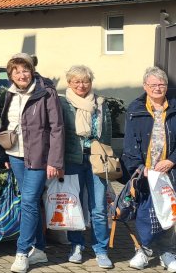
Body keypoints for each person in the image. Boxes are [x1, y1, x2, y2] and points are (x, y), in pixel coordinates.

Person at [0, 56, 64, 273]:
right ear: (11, 75)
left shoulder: (46, 92)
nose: (21, 75)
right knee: (31, 203)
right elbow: (6, 123)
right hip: (15, 155)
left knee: (27, 201)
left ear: (32, 71)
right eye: (16, 72)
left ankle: (22, 252)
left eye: (25, 70)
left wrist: (54, 161)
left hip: (39, 156)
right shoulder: (10, 93)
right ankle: (41, 250)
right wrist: (6, 154)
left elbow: (57, 129)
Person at [122, 67, 176, 270]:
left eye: (161, 84)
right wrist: (137, 167)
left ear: (166, 86)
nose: (157, 88)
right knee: (145, 212)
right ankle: (143, 250)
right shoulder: (135, 109)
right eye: (152, 85)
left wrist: (171, 160)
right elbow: (129, 144)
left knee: (168, 211)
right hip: (145, 171)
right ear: (145, 87)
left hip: (169, 170)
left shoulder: (175, 107)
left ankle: (168, 252)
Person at [59, 65, 113, 269]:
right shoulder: (63, 103)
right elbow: (58, 132)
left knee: (98, 208)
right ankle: (76, 245)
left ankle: (101, 249)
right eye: (76, 81)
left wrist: (105, 155)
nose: (81, 85)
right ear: (69, 83)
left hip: (96, 160)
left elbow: (107, 132)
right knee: (74, 206)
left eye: (85, 81)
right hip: (72, 160)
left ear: (91, 82)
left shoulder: (100, 103)